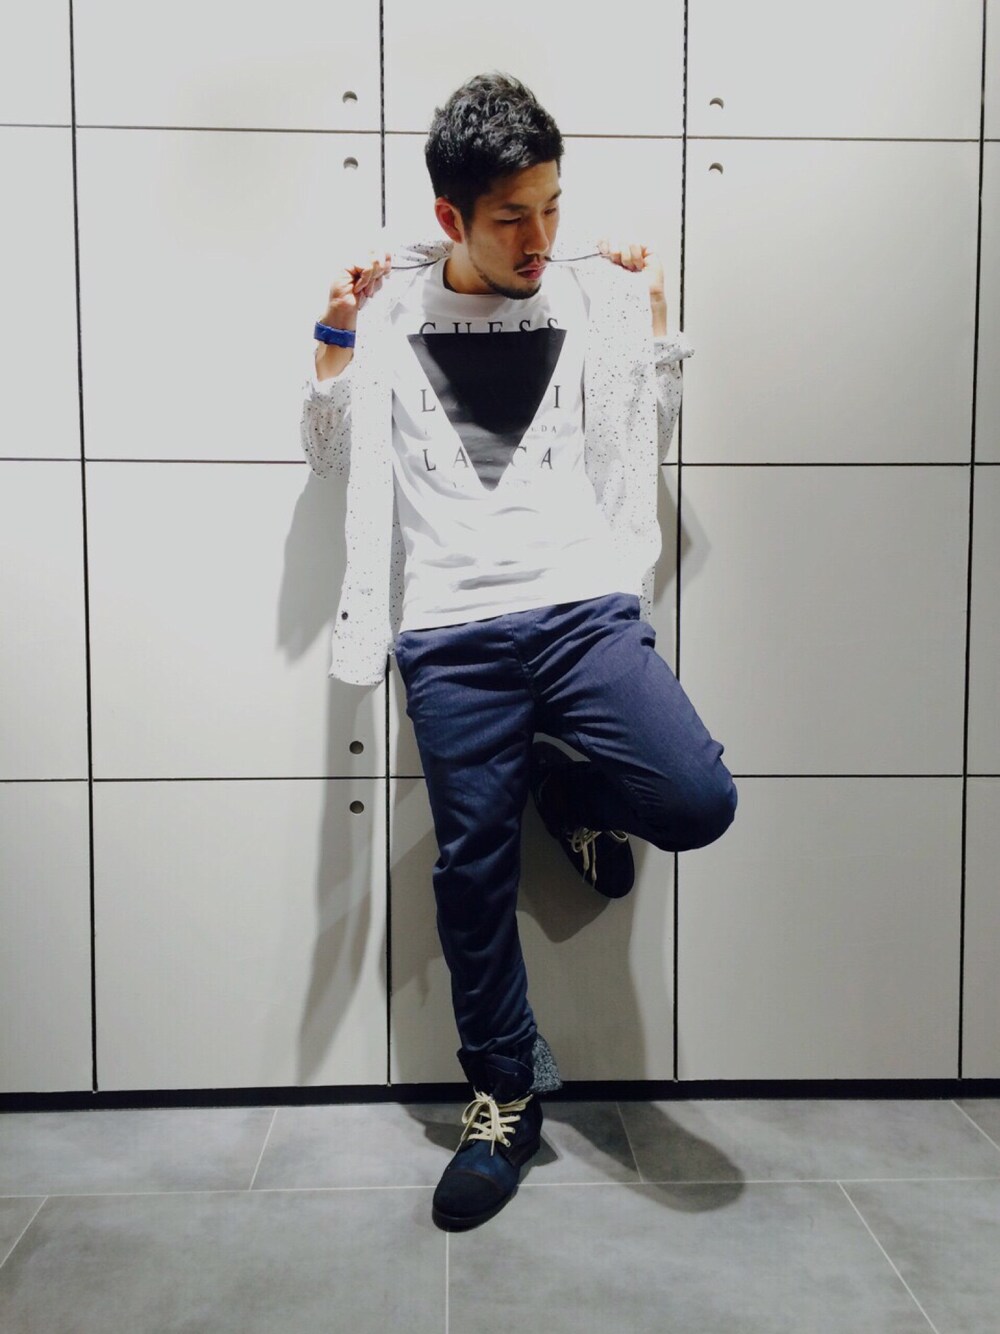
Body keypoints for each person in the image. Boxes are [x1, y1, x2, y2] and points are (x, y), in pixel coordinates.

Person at [300, 72, 737, 1231]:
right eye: (511, 218)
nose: (538, 238)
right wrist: (334, 330)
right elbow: (330, 453)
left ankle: (570, 786)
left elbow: (645, 427)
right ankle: (505, 1092)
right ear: (451, 216)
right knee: (471, 875)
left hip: (582, 605)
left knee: (696, 798)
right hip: (450, 631)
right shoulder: (390, 311)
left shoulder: (586, 294)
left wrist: (652, 319)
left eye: (551, 207)